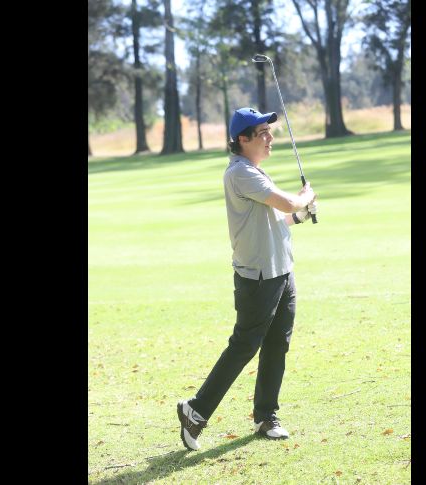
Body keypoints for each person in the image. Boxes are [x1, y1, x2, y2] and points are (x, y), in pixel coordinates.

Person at [177, 107, 318, 451]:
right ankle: (195, 410)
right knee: (244, 346)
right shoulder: (241, 174)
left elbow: (277, 220)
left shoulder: (257, 172)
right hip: (258, 278)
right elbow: (286, 202)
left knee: (276, 345)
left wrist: (299, 217)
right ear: (243, 140)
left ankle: (266, 417)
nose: (271, 138)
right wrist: (304, 199)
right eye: (263, 133)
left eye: (270, 131)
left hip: (281, 271)